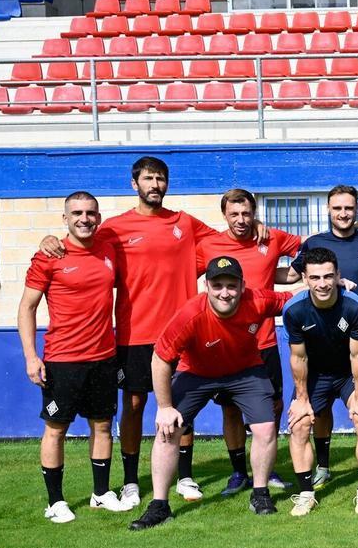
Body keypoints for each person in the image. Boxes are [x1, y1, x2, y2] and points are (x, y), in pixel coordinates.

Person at [38, 157, 229, 509]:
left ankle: (184, 474)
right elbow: (78, 243)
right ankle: (128, 481)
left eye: (160, 179)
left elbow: (229, 242)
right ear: (134, 183)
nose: (154, 184)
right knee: (135, 404)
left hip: (182, 332)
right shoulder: (112, 229)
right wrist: (51, 238)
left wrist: (261, 231)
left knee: (182, 405)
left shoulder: (185, 223)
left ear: (167, 184)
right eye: (148, 178)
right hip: (133, 334)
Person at [129, 257, 293, 529]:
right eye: (217, 285)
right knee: (168, 430)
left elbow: (296, 300)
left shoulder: (258, 300)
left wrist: (335, 285)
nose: (225, 292)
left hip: (245, 371)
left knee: (265, 428)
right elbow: (160, 359)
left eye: (231, 285)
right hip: (196, 373)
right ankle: (159, 505)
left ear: (242, 286)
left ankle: (260, 494)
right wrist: (164, 407)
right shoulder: (190, 314)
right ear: (207, 286)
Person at [18, 191, 130, 522]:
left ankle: (100, 494)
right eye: (77, 213)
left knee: (103, 426)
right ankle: (55, 502)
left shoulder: (108, 247)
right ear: (65, 218)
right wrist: (30, 356)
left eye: (91, 213)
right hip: (62, 359)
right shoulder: (49, 256)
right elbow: (27, 307)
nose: (85, 218)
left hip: (103, 356)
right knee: (56, 428)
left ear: (99, 217)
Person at [290, 185, 358, 491]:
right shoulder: (314, 244)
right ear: (328, 210)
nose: (343, 213)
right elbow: (295, 276)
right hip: (321, 342)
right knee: (319, 410)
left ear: (357, 210)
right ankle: (323, 465)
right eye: (337, 208)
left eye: (349, 208)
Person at [196, 189, 301, 497]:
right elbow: (181, 270)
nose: (241, 220)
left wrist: (289, 274)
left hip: (264, 342)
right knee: (230, 410)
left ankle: (265, 469)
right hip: (225, 344)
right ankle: (239, 471)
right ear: (224, 215)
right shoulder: (209, 245)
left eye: (246, 214)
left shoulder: (272, 238)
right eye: (234, 214)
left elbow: (312, 248)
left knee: (272, 407)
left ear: (255, 213)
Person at [282, 247, 358, 516]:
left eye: (327, 276)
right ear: (304, 278)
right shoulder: (294, 310)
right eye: (315, 278)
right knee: (299, 424)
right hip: (315, 375)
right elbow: (298, 359)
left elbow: (357, 354)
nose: (322, 284)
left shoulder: (354, 305)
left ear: (338, 275)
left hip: (348, 373)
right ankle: (305, 494)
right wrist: (301, 400)